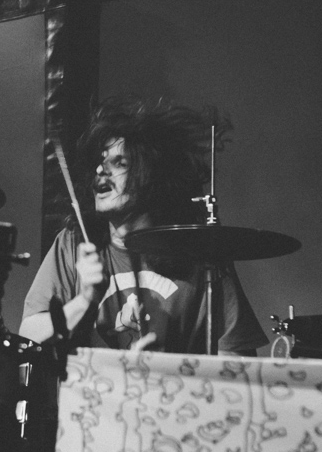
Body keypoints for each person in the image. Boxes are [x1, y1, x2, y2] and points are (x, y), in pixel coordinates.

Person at [19, 96, 268, 356]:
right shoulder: (75, 243)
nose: (100, 171)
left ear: (150, 176)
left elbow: (237, 358)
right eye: (100, 163)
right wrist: (83, 301)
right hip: (94, 395)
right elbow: (29, 334)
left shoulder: (202, 249)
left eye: (119, 163)